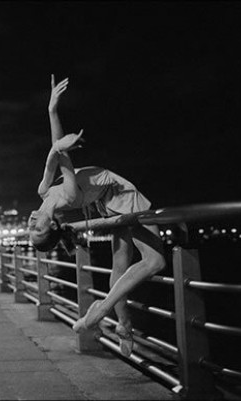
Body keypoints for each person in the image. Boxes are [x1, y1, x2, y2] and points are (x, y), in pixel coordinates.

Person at [28, 74, 166, 357]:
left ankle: (123, 325)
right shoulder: (64, 196)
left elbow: (55, 153)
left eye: (31, 228)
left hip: (109, 201)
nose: (31, 223)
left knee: (119, 267)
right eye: (38, 229)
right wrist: (54, 123)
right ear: (52, 224)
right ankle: (99, 314)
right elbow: (62, 155)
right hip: (121, 195)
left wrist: (52, 113)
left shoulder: (44, 191)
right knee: (155, 260)